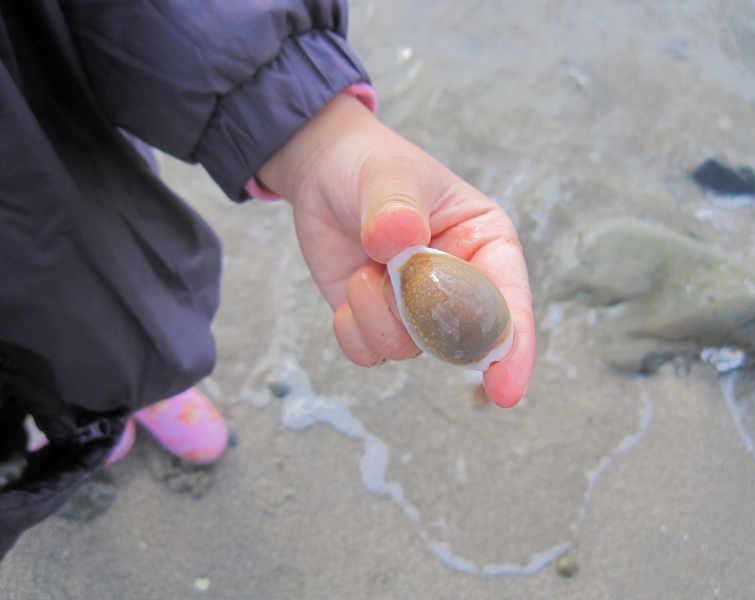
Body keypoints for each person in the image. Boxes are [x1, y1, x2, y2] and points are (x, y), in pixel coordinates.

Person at [0, 0, 535, 558]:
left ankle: (113, 400)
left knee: (116, 315)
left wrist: (317, 136)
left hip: (67, 200)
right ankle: (71, 411)